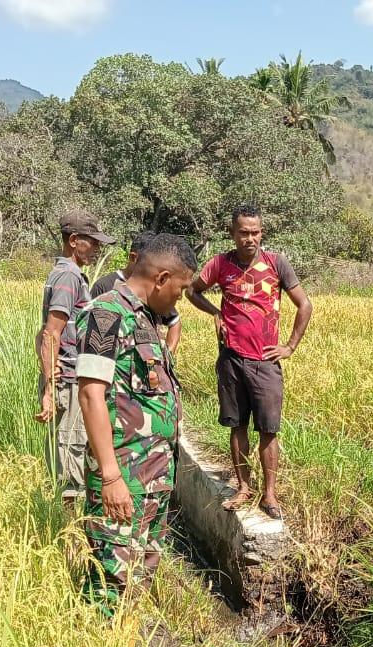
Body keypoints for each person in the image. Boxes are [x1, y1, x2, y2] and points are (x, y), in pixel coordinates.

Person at [75, 233, 198, 616]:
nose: (178, 300)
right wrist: (111, 477)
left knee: (139, 573)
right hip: (124, 476)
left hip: (152, 478)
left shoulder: (146, 319)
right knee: (111, 579)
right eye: (179, 291)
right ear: (161, 278)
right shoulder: (107, 313)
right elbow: (91, 394)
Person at [188, 205, 313, 520]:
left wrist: (290, 347)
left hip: (265, 362)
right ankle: (244, 486)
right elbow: (192, 291)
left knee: (268, 430)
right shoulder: (220, 264)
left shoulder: (276, 264)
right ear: (232, 233)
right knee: (237, 425)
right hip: (231, 359)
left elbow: (304, 305)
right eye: (243, 232)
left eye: (255, 232)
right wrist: (215, 313)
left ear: (262, 233)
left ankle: (269, 493)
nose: (250, 238)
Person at [34, 210, 115, 504]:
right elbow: (51, 333)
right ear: (74, 241)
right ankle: (70, 543)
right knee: (71, 458)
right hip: (67, 381)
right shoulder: (68, 276)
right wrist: (49, 388)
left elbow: (45, 333)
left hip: (67, 378)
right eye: (91, 242)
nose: (96, 249)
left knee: (72, 454)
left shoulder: (69, 275)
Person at [91, 231, 183, 355]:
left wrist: (167, 358)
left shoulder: (154, 291)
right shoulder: (104, 286)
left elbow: (174, 321)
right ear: (133, 258)